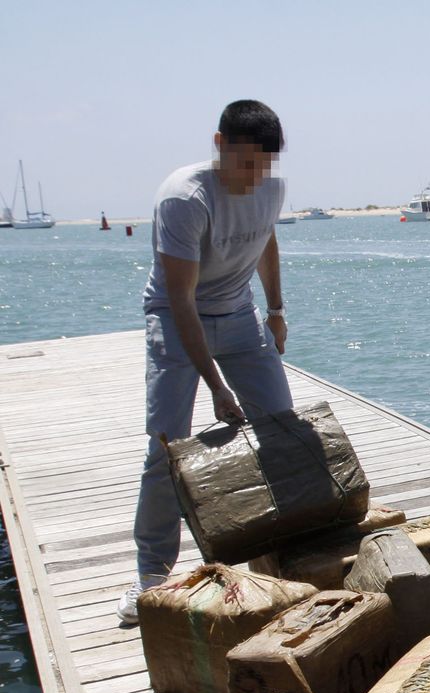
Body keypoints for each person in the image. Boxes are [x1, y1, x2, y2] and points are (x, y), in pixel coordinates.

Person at [115, 101, 296, 624]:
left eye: (264, 165)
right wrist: (216, 384)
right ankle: (151, 575)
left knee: (282, 427)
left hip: (240, 315)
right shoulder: (184, 198)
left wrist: (276, 312)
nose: (254, 177)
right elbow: (180, 300)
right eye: (245, 163)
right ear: (219, 145)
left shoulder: (272, 188)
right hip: (177, 319)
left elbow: (266, 243)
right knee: (166, 447)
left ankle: (281, 550)